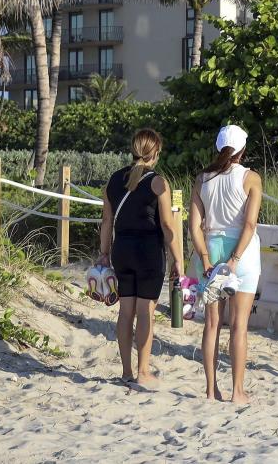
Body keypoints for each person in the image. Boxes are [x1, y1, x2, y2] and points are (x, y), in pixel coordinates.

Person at [98, 128, 184, 388]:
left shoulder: (113, 180)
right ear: (155, 153)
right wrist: (178, 259)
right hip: (148, 251)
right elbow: (168, 227)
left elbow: (106, 221)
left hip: (121, 249)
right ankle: (143, 372)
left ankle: (125, 371)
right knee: (146, 311)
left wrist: (103, 254)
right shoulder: (158, 182)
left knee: (125, 312)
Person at [188, 124, 263, 404]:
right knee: (239, 326)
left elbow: (193, 227)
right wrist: (234, 260)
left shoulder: (202, 179)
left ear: (218, 148)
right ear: (242, 150)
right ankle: (237, 391)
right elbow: (250, 224)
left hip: (210, 246)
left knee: (211, 325)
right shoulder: (251, 178)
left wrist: (206, 258)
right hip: (240, 253)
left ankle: (210, 390)